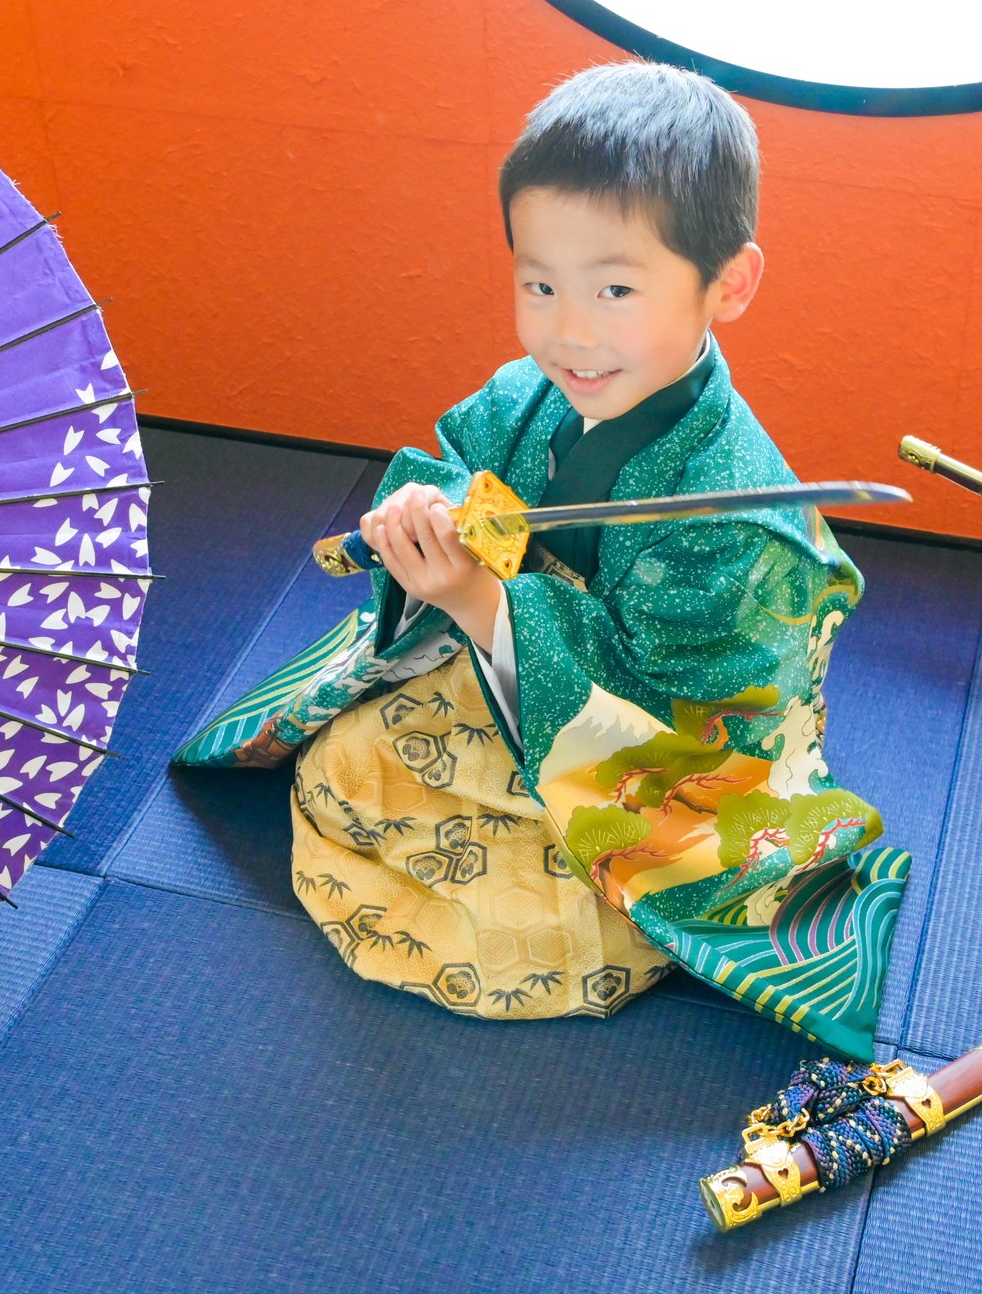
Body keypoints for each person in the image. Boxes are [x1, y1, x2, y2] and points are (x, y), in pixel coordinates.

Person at [174, 62, 909, 1056]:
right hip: (522, 677)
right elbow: (463, 465)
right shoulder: (529, 393)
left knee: (541, 927)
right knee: (353, 764)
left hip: (670, 757)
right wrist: (426, 519)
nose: (570, 332)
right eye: (539, 284)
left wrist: (482, 603)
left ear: (727, 284)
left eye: (614, 287)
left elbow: (685, 726)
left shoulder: (735, 518)